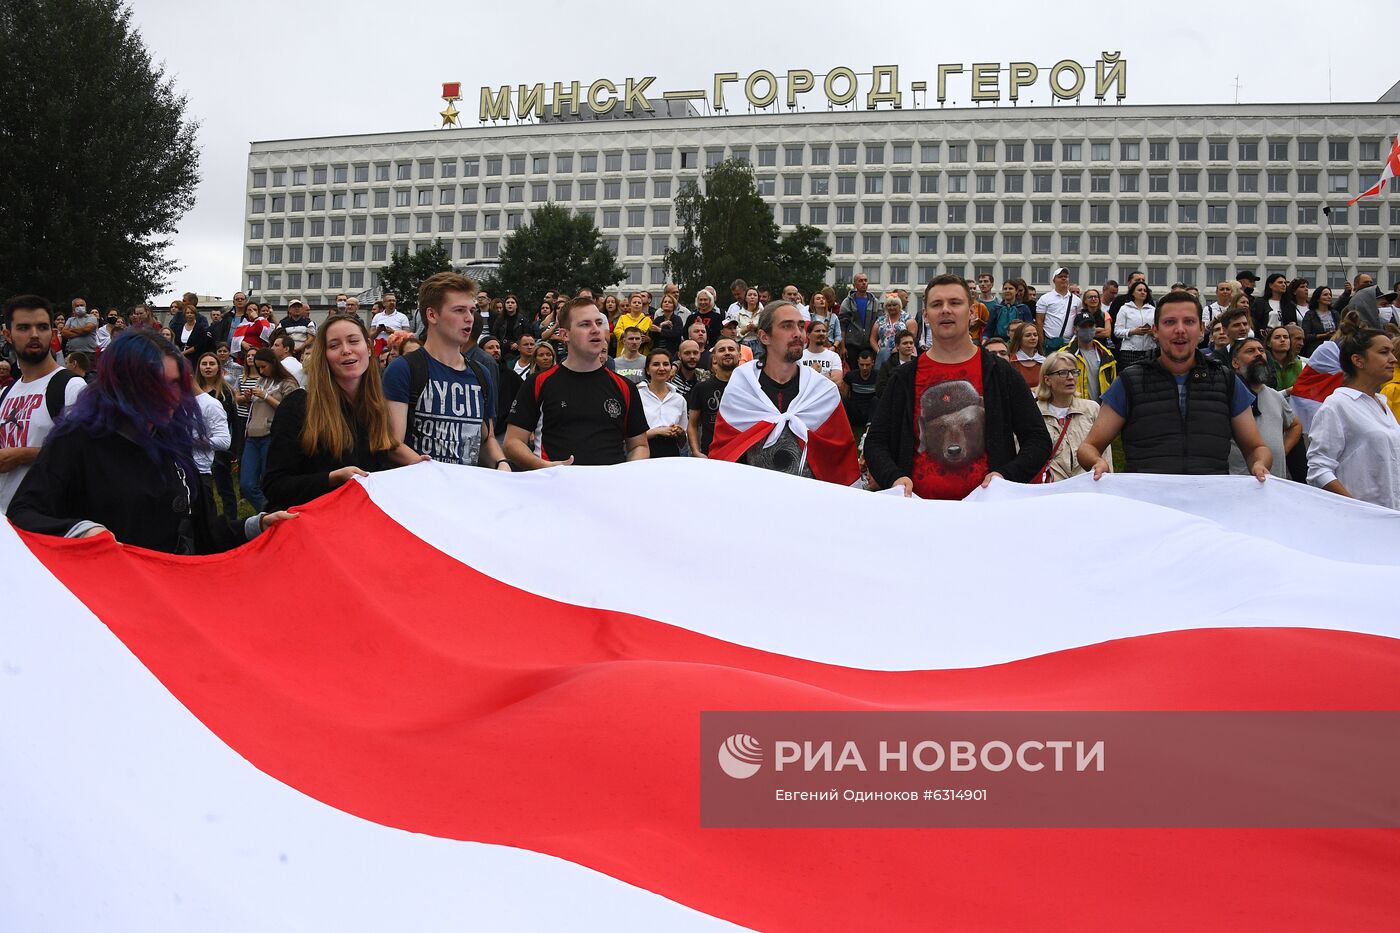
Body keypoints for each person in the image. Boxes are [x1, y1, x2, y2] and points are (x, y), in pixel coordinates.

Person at [7, 330, 293, 552]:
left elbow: (204, 533)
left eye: (175, 384)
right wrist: (82, 532)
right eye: (156, 383)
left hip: (168, 598)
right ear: (122, 383)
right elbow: (24, 514)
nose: (171, 395)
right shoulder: (75, 442)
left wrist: (257, 525)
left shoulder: (171, 442)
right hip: (107, 606)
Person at [864, 275, 1051, 497]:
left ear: (971, 312)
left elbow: (1038, 440)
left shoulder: (1001, 374)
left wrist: (1006, 476)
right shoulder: (903, 378)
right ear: (925, 315)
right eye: (936, 304)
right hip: (918, 511)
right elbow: (875, 443)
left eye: (955, 303)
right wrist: (894, 478)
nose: (945, 310)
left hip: (985, 512)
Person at [1077, 291, 1272, 480]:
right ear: (1155, 330)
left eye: (1189, 321)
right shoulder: (1129, 381)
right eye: (1170, 322)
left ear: (1202, 329)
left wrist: (1259, 464)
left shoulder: (1225, 380)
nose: (1180, 329)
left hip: (1210, 502)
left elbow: (1256, 448)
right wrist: (1097, 462)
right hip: (1147, 503)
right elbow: (1089, 448)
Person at [262, 315, 417, 511]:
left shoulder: (377, 408)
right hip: (314, 529)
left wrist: (421, 465)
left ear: (368, 348)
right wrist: (332, 479)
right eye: (334, 345)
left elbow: (386, 451)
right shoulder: (298, 407)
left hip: (360, 529)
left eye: (353, 341)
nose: (346, 350)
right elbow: (274, 487)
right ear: (324, 355)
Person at [709, 301, 859, 484]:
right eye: (787, 326)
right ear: (764, 337)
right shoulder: (742, 388)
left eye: (801, 326)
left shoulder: (822, 392)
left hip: (809, 502)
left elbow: (840, 458)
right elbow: (725, 452)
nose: (798, 333)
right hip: (754, 499)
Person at [381, 272, 507, 471]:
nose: (469, 318)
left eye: (472, 310)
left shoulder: (481, 374)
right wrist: (437, 474)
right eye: (459, 310)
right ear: (432, 315)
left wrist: (502, 464)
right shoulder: (403, 369)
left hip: (465, 492)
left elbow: (486, 439)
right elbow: (392, 444)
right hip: (420, 492)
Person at [505, 297, 649, 468]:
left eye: (598, 323)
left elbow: (639, 445)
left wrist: (626, 474)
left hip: (608, 489)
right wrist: (544, 467)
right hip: (555, 488)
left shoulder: (625, 386)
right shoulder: (538, 382)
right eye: (585, 324)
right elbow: (512, 442)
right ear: (565, 335)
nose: (596, 330)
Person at [0, 295, 86, 512]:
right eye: (23, 328)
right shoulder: (5, 392)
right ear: (7, 335)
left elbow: (87, 455)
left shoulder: (71, 387)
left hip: (45, 521)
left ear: (52, 332)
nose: (35, 334)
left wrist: (23, 455)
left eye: (42, 327)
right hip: (6, 525)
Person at [1307, 324, 1400, 510]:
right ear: (1358, 360)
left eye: (1392, 352)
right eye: (1384, 352)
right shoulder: (1337, 404)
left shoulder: (1381, 403)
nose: (1393, 359)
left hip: (1391, 519)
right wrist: (1357, 508)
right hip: (1360, 523)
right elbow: (1319, 470)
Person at [1226, 337, 1301, 480]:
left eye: (1261, 350)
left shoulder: (1275, 396)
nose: (1258, 354)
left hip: (1275, 483)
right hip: (1242, 484)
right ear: (1235, 362)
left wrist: (1281, 451)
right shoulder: (1228, 394)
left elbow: (1295, 425)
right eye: (1250, 351)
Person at [238, 348, 300, 511]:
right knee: (246, 484)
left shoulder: (288, 383)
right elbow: (253, 405)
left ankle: (274, 515)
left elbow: (291, 410)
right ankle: (270, 512)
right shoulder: (261, 381)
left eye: (263, 366)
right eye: (258, 368)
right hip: (252, 435)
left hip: (272, 436)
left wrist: (266, 396)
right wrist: (247, 398)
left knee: (270, 482)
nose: (261, 370)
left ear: (273, 363)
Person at [1035, 352, 1102, 482]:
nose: (1071, 377)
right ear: (1047, 380)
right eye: (1063, 373)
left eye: (1074, 371)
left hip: (1087, 488)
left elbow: (1103, 454)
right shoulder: (1034, 413)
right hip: (1049, 490)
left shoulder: (1092, 409)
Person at [193, 351, 240, 520]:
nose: (207, 367)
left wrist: (234, 450)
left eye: (211, 364)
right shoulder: (194, 392)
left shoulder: (225, 392)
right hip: (197, 450)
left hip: (219, 445)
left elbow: (234, 422)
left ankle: (230, 520)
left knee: (224, 486)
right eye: (204, 364)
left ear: (218, 368)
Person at [687, 337, 739, 458]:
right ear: (714, 358)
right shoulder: (701, 388)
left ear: (739, 355)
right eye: (721, 350)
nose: (727, 352)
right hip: (711, 454)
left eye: (731, 349)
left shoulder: (751, 387)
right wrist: (696, 451)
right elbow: (692, 424)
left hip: (743, 454)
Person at [637, 348, 688, 458]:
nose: (661, 368)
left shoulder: (679, 399)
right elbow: (630, 437)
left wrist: (680, 432)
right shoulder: (637, 396)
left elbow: (683, 441)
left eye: (666, 364)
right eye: (656, 364)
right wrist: (658, 431)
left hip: (671, 453)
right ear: (647, 370)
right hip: (644, 452)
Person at [1064, 311, 1117, 402]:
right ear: (1075, 329)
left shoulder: (1106, 355)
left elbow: (1113, 386)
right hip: (1076, 409)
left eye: (1091, 326)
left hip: (1101, 409)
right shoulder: (1065, 355)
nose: (1088, 329)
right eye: (1083, 327)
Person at [1035, 266, 1082, 352]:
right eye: (1060, 277)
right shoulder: (1045, 298)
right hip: (1050, 343)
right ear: (1054, 280)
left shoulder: (1077, 300)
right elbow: (1039, 321)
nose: (1064, 279)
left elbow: (1078, 321)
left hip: (1070, 344)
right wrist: (1041, 344)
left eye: (1066, 277)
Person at [1113, 281, 1157, 368]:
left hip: (1150, 350)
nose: (1143, 292)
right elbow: (1117, 332)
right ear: (1133, 292)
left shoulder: (1153, 310)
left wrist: (1152, 332)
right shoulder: (1124, 309)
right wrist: (1133, 331)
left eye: (1145, 290)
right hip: (1130, 351)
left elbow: (1158, 330)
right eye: (1139, 290)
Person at [838, 272, 878, 358]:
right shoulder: (847, 302)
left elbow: (879, 323)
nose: (864, 283)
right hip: (852, 345)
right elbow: (842, 326)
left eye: (865, 280)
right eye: (860, 281)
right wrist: (842, 347)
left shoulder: (875, 302)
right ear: (854, 284)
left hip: (869, 345)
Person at [841, 347, 879, 436]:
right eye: (862, 365)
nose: (864, 368)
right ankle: (843, 429)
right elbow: (844, 394)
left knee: (876, 399)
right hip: (855, 411)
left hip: (871, 412)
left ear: (872, 363)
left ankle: (869, 431)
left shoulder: (878, 376)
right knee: (843, 399)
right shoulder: (851, 376)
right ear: (858, 362)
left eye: (867, 365)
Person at [875, 330, 917, 398]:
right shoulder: (887, 366)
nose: (909, 346)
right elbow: (880, 390)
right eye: (905, 343)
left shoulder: (919, 364)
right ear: (897, 346)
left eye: (911, 343)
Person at [799, 320, 844, 384]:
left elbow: (837, 381)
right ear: (808, 335)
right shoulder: (800, 356)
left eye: (824, 331)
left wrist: (811, 375)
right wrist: (825, 376)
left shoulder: (833, 356)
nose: (821, 333)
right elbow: (797, 381)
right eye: (817, 331)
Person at [872, 293, 910, 367]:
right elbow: (872, 339)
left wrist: (899, 349)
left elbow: (912, 337)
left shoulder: (907, 318)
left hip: (902, 354)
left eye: (894, 305)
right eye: (889, 305)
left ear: (900, 306)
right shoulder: (880, 320)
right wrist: (879, 351)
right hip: (883, 355)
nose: (892, 307)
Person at [1301, 286, 1337, 357]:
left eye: (1330, 295)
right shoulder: (1310, 314)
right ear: (1318, 298)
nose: (1329, 297)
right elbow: (1305, 336)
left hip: (1333, 351)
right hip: (1316, 351)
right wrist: (1324, 335)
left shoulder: (1335, 313)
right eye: (1325, 295)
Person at [1008, 322, 1045, 389]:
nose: (1033, 338)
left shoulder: (1044, 362)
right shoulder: (1011, 361)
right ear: (1019, 338)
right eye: (1028, 335)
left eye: (1035, 335)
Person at [1267, 325, 1303, 392]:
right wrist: (1286, 392)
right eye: (1277, 337)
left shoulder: (1300, 365)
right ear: (1269, 343)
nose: (1283, 340)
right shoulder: (1264, 365)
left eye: (1286, 337)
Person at [650, 292, 686, 357]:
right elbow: (652, 335)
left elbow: (676, 334)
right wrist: (661, 325)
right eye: (665, 302)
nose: (667, 303)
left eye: (669, 302)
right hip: (657, 351)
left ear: (674, 305)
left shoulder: (677, 319)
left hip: (672, 352)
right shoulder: (658, 319)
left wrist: (660, 330)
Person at [730, 286, 763, 353]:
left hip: (759, 344)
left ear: (758, 298)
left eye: (755, 295)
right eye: (749, 295)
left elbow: (766, 329)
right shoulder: (738, 314)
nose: (752, 297)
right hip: (743, 344)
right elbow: (734, 332)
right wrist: (745, 330)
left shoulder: (763, 314)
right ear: (745, 298)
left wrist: (756, 328)